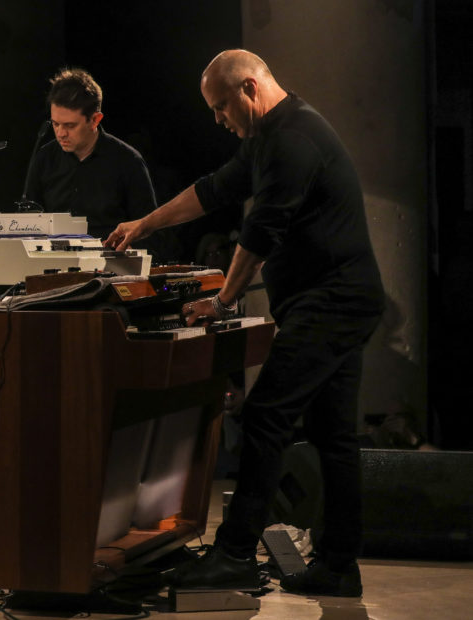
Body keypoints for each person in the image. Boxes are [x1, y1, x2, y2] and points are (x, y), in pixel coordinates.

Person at [105, 50, 384, 597]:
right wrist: (144, 223)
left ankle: (233, 555)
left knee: (264, 418)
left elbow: (261, 232)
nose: (217, 119)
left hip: (331, 302)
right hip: (337, 300)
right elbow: (211, 191)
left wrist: (223, 300)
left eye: (220, 107)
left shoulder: (292, 140)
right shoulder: (267, 137)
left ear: (250, 89)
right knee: (333, 436)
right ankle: (338, 565)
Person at [26, 68, 161, 254]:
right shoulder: (44, 158)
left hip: (110, 268)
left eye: (70, 125)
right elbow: (29, 221)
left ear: (95, 120)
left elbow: (149, 230)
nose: (60, 133)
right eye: (55, 124)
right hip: (53, 266)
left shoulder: (128, 161)